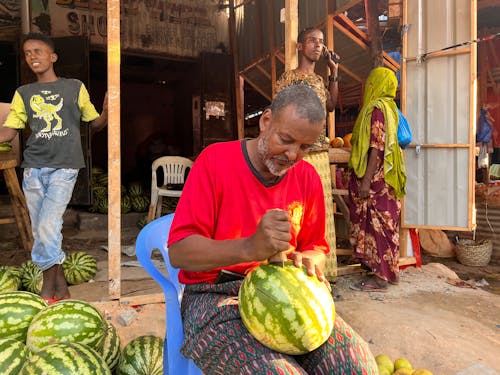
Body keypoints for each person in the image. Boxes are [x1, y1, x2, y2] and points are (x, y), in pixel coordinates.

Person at [168, 84, 378, 374]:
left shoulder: (307, 178)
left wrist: (310, 262)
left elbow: (316, 248)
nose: (293, 155)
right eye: (286, 139)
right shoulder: (214, 162)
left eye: (305, 147)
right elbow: (179, 252)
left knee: (356, 366)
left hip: (288, 296)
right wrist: (249, 248)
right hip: (212, 296)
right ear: (265, 121)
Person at [0, 33, 108, 303]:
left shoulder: (74, 87)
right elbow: (10, 132)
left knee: (48, 225)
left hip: (64, 168)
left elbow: (92, 122)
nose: (32, 56)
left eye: (38, 51)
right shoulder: (23, 93)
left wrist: (106, 112)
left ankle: (46, 291)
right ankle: (62, 288)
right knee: (41, 231)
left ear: (52, 57)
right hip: (33, 169)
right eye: (27, 53)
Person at [275, 26, 340, 276]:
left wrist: (334, 73)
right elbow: (280, 111)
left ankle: (323, 271)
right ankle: (293, 269)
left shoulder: (320, 80)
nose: (318, 45)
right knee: (296, 210)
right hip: (298, 152)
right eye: (312, 41)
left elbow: (331, 105)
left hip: (320, 153)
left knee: (320, 213)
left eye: (321, 42)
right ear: (300, 47)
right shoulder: (288, 78)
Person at [347, 67, 406, 292]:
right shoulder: (392, 108)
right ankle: (391, 273)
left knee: (377, 228)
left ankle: (381, 278)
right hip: (388, 180)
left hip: (376, 181)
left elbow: (376, 147)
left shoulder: (377, 109)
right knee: (387, 226)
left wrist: (365, 181)